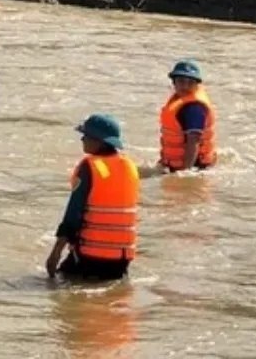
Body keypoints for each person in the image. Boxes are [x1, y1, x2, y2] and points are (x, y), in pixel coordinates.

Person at [46, 114, 140, 281]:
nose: (82, 139)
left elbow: (73, 213)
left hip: (90, 257)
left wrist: (55, 253)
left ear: (99, 141)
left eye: (86, 136)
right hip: (121, 259)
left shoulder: (90, 167)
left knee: (51, 287)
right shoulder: (129, 166)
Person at [157, 60, 218, 173]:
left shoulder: (193, 108)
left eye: (190, 82)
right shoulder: (179, 101)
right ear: (173, 82)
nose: (185, 86)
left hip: (196, 168)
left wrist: (185, 173)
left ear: (196, 85)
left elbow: (194, 141)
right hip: (181, 166)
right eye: (181, 81)